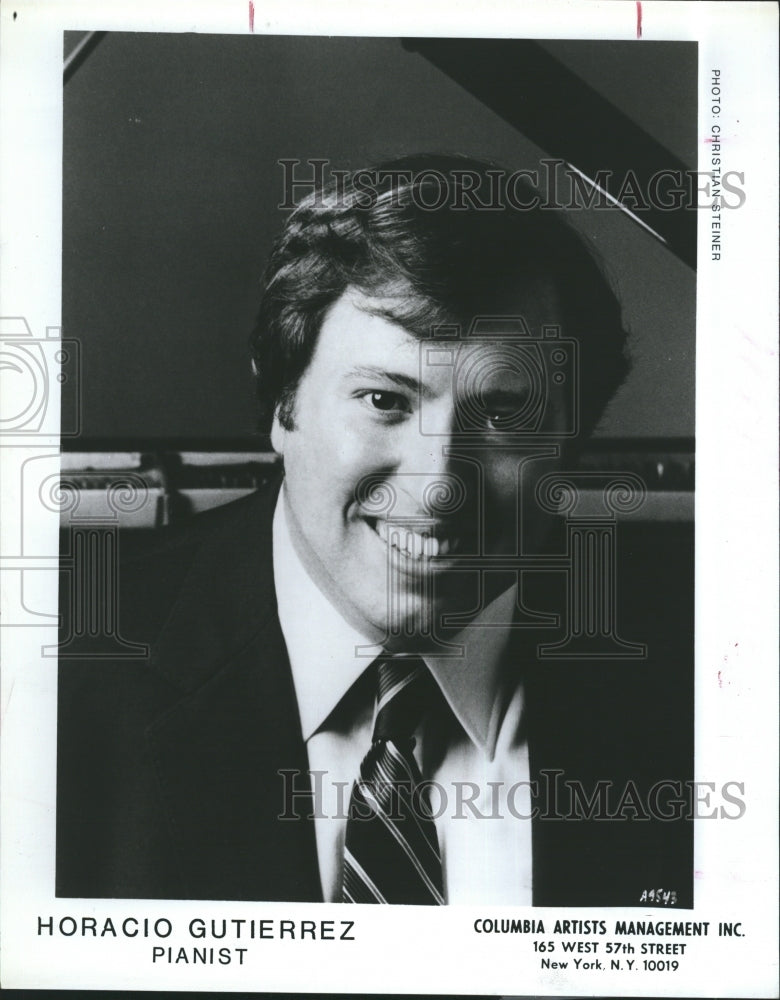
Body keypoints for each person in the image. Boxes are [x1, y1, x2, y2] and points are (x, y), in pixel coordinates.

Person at [56, 154, 693, 905]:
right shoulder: (59, 679)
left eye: (503, 415)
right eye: (385, 401)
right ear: (282, 403)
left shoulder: (707, 676)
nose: (441, 485)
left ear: (568, 443)